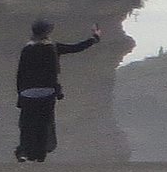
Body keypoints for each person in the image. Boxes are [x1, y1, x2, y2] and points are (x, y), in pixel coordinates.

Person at [13, 19, 101, 163]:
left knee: (27, 124)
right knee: (43, 123)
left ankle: (25, 152)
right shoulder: (53, 47)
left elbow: (20, 73)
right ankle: (39, 155)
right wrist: (95, 38)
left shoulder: (27, 49)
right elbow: (76, 47)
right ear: (48, 32)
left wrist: (20, 94)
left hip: (27, 92)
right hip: (47, 92)